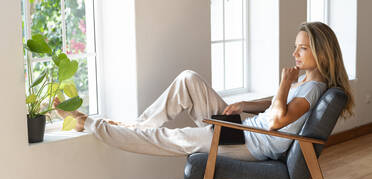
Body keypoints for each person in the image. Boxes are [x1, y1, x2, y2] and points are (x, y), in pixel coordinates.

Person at [53, 22, 354, 161]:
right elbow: (279, 107)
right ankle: (136, 124)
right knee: (189, 79)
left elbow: (277, 120)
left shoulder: (313, 88)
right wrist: (247, 103)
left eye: (303, 48)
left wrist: (284, 82)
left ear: (322, 53)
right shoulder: (310, 83)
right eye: (296, 47)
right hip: (245, 129)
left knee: (170, 137)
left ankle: (90, 123)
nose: (296, 53)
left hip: (250, 142)